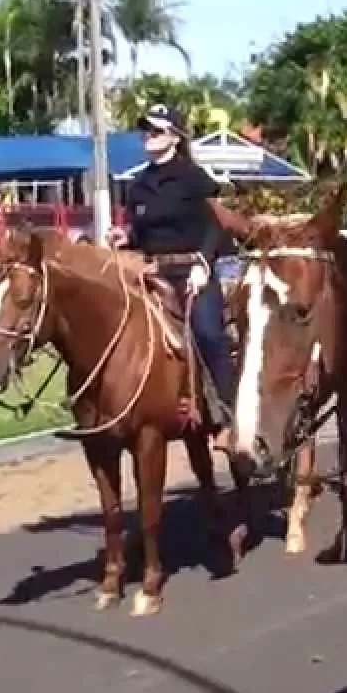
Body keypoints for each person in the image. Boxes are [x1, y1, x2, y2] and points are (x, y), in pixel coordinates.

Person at [117, 103, 246, 456]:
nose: (148, 136)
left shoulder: (194, 178)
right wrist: (125, 238)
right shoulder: (139, 185)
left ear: (175, 137)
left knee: (207, 332)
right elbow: (143, 234)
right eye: (145, 130)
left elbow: (214, 225)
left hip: (194, 271)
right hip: (154, 272)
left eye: (156, 131)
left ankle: (228, 417)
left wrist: (204, 264)